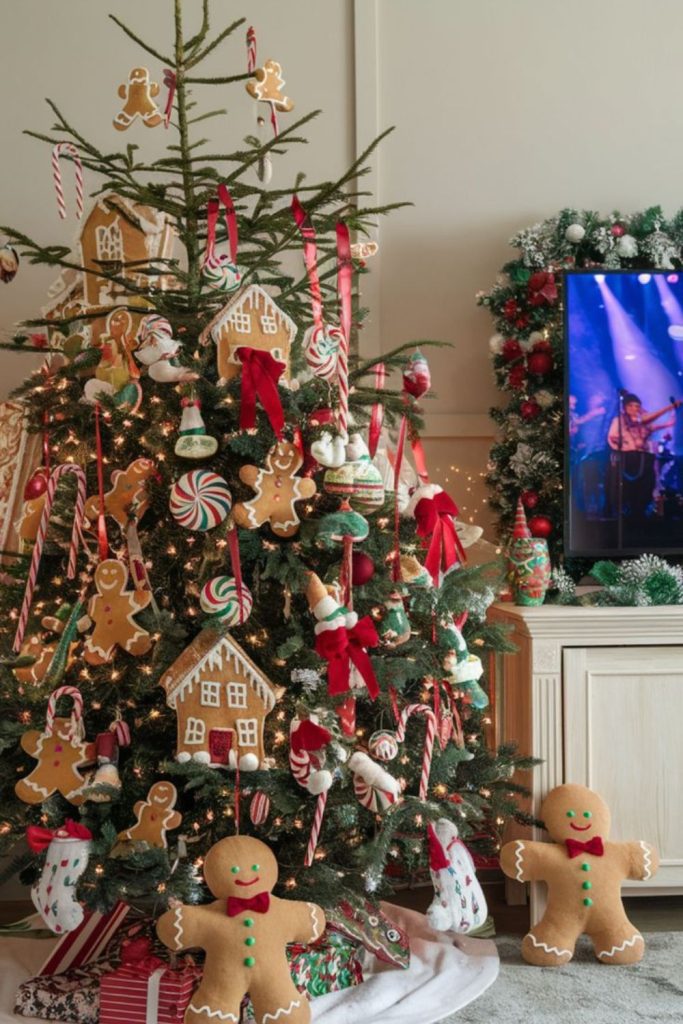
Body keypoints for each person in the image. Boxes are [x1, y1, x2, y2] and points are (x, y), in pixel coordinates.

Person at [607, 393, 679, 452]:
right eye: (631, 406)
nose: (635, 409)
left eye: (637, 406)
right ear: (625, 407)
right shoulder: (619, 420)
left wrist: (667, 423)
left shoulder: (641, 421)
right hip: (626, 457)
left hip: (643, 457)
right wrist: (628, 447)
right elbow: (612, 438)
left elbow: (651, 426)